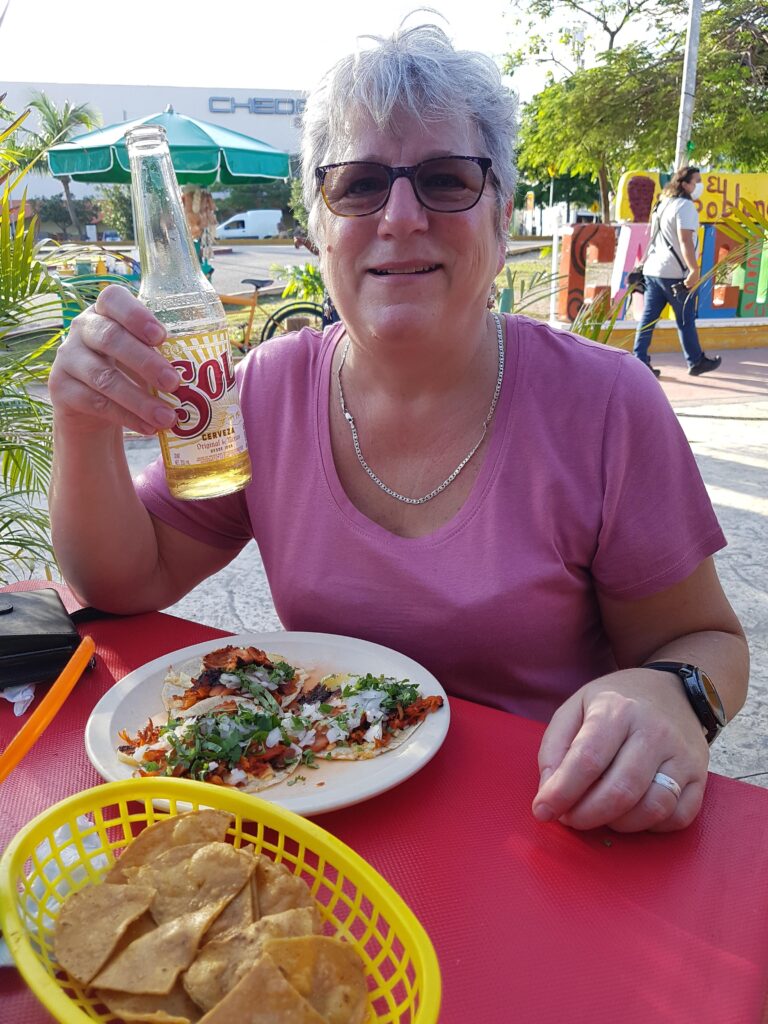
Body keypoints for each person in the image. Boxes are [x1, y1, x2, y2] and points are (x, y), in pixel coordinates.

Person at [48, 22, 748, 835]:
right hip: (318, 830)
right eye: (360, 183)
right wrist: (84, 426)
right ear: (317, 222)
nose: (403, 216)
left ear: (502, 213)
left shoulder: (605, 404)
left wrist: (672, 693)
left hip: (549, 826)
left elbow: (707, 640)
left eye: (448, 180)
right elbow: (125, 581)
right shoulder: (268, 391)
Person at [633, 166, 721, 377]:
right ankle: (695, 361)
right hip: (676, 274)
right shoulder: (685, 206)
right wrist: (693, 269)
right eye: (696, 181)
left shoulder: (662, 204)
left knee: (648, 319)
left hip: (654, 270)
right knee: (685, 318)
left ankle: (639, 361)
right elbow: (685, 241)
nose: (699, 185)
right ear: (684, 184)